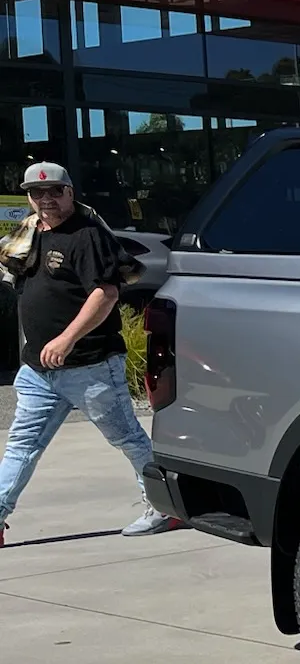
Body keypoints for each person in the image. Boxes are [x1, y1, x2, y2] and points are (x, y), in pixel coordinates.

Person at [0, 163, 177, 547]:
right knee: (21, 445)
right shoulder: (29, 235)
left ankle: (166, 508)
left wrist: (65, 340)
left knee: (127, 438)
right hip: (38, 369)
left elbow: (106, 294)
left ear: (70, 192)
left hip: (90, 365)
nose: (46, 200)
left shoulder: (86, 236)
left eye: (54, 192)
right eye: (37, 193)